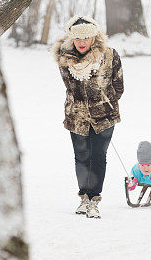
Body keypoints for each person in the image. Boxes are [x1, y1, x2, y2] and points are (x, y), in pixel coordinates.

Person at [53, 15, 124, 219]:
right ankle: (83, 197)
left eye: (86, 38)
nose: (82, 42)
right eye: (77, 38)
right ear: (71, 38)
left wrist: (104, 102)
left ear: (94, 37)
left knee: (98, 156)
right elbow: (71, 88)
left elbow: (119, 86)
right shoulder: (65, 58)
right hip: (77, 116)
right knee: (81, 157)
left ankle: (94, 199)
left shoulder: (109, 55)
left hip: (105, 116)